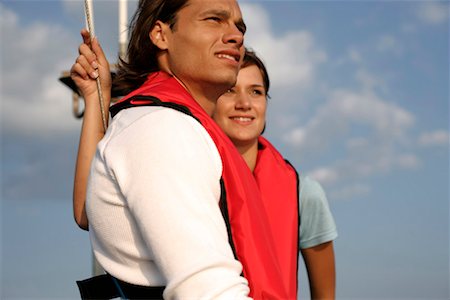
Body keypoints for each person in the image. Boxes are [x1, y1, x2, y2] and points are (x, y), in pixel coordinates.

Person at [72, 31, 337, 298]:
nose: (244, 104)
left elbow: (325, 294)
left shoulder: (305, 193)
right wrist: (96, 96)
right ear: (210, 101)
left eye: (256, 92)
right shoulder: (180, 165)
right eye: (230, 91)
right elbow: (88, 212)